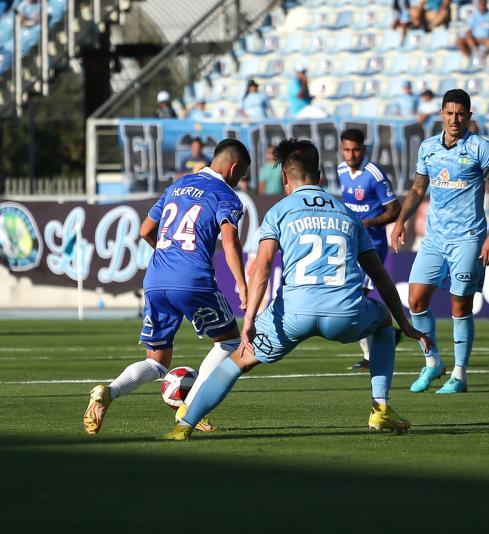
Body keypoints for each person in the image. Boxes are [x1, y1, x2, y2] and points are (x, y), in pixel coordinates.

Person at [158, 138, 432, 440]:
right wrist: (403, 322)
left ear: (285, 179)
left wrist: (248, 322)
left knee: (238, 360)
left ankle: (185, 424)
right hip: (344, 313)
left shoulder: (279, 211)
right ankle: (380, 408)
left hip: (292, 314)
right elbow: (379, 275)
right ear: (321, 177)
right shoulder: (347, 213)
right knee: (381, 319)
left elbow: (261, 269)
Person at [83, 139, 251, 435]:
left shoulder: (178, 185)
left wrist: (166, 253)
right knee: (229, 342)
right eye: (241, 175)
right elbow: (229, 240)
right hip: (193, 279)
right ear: (234, 168)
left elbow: (146, 230)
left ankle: (109, 391)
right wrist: (241, 284)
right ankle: (191, 406)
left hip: (156, 279)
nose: (240, 182)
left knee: (157, 362)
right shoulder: (226, 195)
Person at [391, 88, 489, 394]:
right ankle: (432, 363)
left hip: (468, 238)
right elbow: (417, 189)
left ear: (469, 115)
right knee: (415, 300)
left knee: (459, 304)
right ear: (441, 114)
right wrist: (401, 221)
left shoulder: (481, 148)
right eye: (450, 113)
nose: (455, 119)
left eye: (461, 114)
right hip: (434, 238)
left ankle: (459, 374)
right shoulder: (428, 148)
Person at [337, 128, 401, 370]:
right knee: (354, 295)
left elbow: (394, 209)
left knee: (357, 296)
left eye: (355, 150)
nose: (350, 154)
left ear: (363, 150)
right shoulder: (341, 170)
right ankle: (386, 332)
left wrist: (368, 223)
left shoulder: (374, 174)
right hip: (350, 242)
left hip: (372, 245)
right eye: (346, 149)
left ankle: (370, 354)